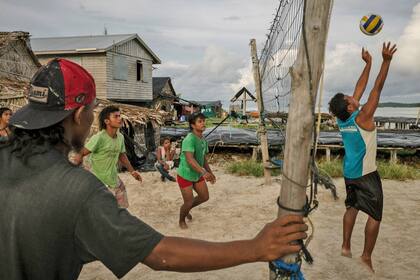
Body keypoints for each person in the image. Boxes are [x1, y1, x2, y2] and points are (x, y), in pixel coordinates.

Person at [0, 58, 308, 280]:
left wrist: (133, 170)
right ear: (81, 114)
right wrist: (255, 248)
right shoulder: (79, 191)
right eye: (93, 111)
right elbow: (161, 254)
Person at [328, 42, 397, 272]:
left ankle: (345, 246)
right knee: (375, 216)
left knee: (352, 207)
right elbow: (377, 88)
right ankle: (366, 256)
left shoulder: (342, 117)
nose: (353, 96)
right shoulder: (363, 116)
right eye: (350, 98)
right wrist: (385, 62)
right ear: (349, 107)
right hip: (367, 174)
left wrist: (368, 63)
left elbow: (360, 87)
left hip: (349, 172)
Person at [73, 105, 142, 208]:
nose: (120, 119)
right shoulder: (99, 138)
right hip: (99, 182)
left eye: (120, 116)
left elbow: (121, 155)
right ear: (107, 121)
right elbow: (82, 153)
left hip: (114, 180)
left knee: (121, 210)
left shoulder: (120, 137)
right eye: (116, 116)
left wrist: (132, 172)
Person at [176, 113, 215, 229]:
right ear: (193, 125)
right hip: (185, 174)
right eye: (200, 121)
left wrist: (210, 172)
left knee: (204, 197)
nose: (203, 123)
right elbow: (190, 159)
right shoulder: (189, 139)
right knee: (188, 201)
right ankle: (181, 220)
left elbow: (203, 158)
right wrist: (204, 173)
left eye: (204, 121)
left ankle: (186, 208)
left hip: (197, 173)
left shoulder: (202, 139)